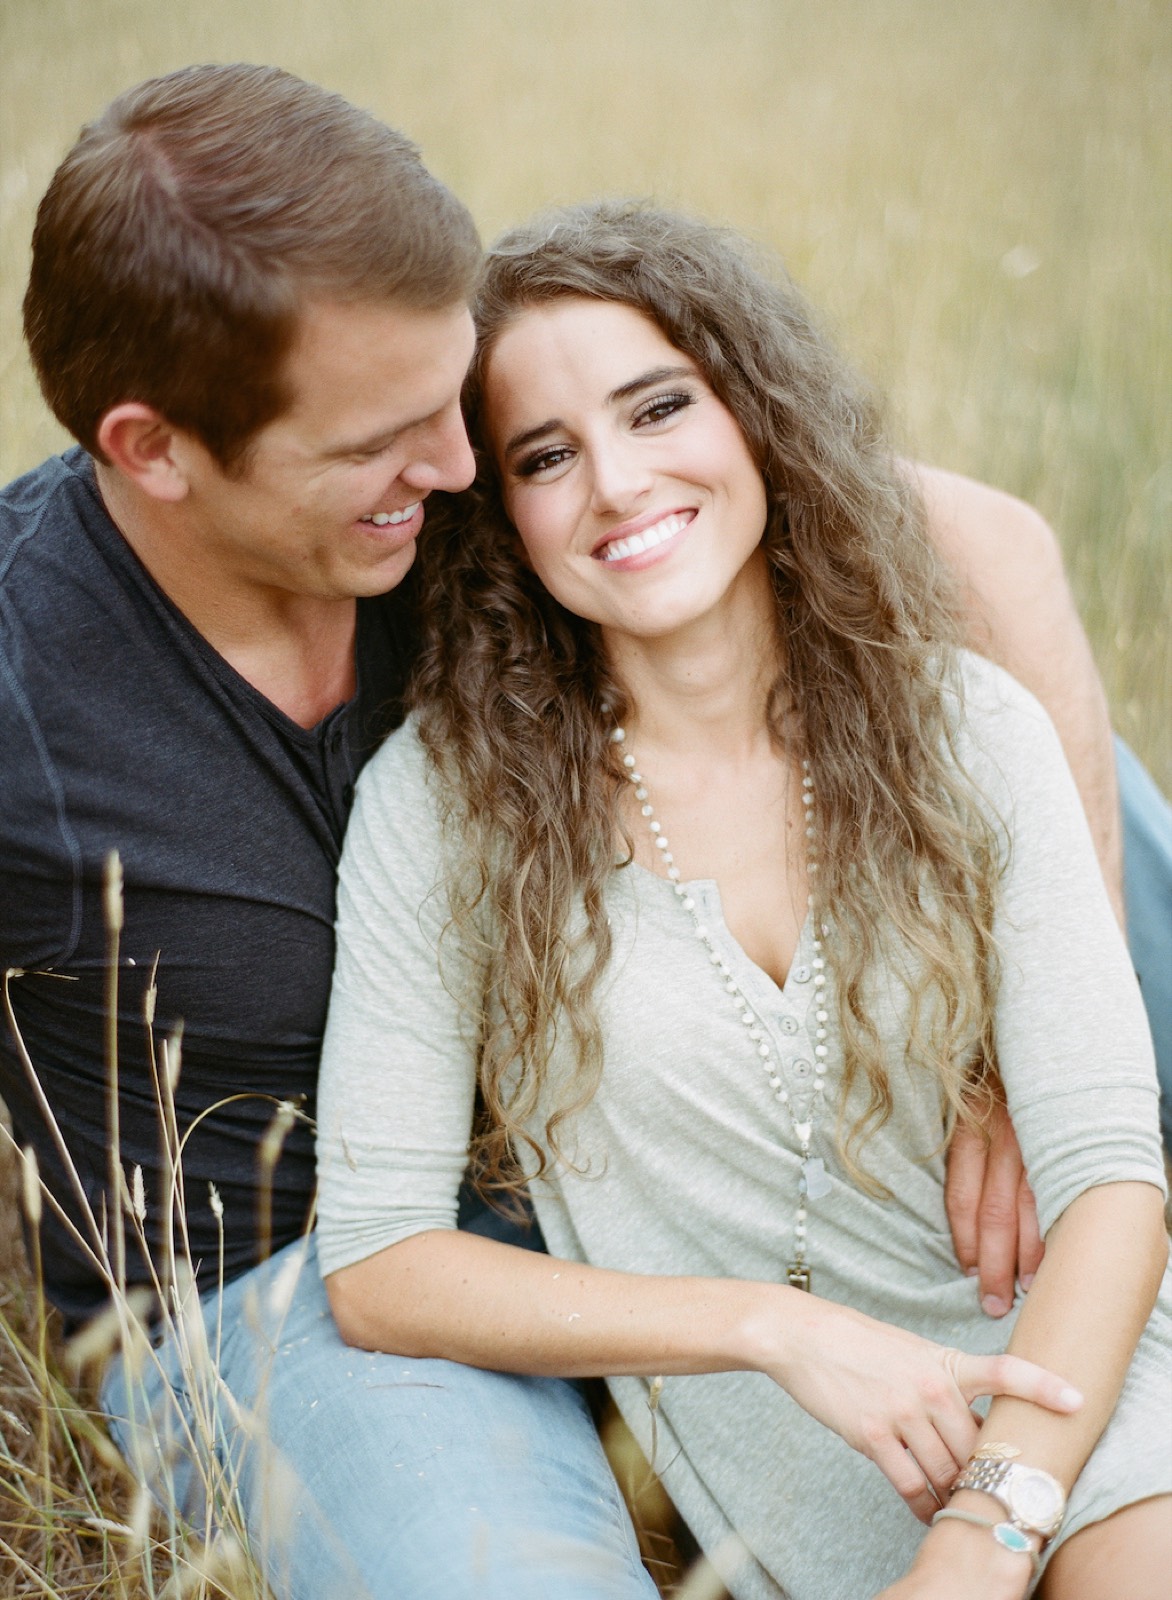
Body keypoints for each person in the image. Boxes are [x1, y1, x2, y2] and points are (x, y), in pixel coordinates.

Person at [1, 61, 1166, 1600]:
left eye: (454, 404)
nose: (459, 469)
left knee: (1060, 794)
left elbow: (985, 545)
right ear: (155, 451)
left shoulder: (482, 495)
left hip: (736, 1130)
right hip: (323, 1275)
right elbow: (383, 1255)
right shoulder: (46, 674)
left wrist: (1004, 1059)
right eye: (388, 440)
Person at [315, 201, 1172, 1600]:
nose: (616, 484)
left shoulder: (966, 726)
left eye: (660, 409)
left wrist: (989, 1530)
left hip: (1078, 1412)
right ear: (500, 510)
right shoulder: (444, 806)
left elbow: (1114, 1189)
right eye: (546, 455)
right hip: (795, 1483)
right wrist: (770, 1330)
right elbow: (383, 1263)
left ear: (755, 412)